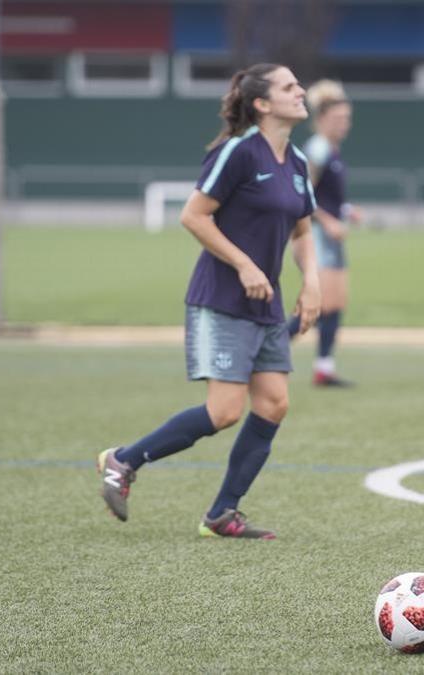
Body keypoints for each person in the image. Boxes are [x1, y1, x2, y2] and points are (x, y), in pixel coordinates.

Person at [96, 63, 321, 539]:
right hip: (221, 299)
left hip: (267, 303)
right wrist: (244, 263)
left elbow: (303, 230)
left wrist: (313, 282)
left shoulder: (297, 162)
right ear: (261, 103)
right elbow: (194, 216)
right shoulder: (237, 152)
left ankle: (222, 513)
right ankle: (124, 460)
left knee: (275, 404)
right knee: (224, 411)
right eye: (288, 86)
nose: (299, 91)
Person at [286, 79, 364, 387]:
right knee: (318, 305)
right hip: (316, 237)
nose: (344, 124)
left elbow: (328, 198)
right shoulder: (317, 150)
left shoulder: (332, 150)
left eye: (347, 118)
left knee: (334, 304)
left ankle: (324, 368)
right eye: (337, 119)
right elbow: (301, 194)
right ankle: (266, 354)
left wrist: (345, 211)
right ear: (321, 120)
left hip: (331, 238)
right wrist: (329, 221)